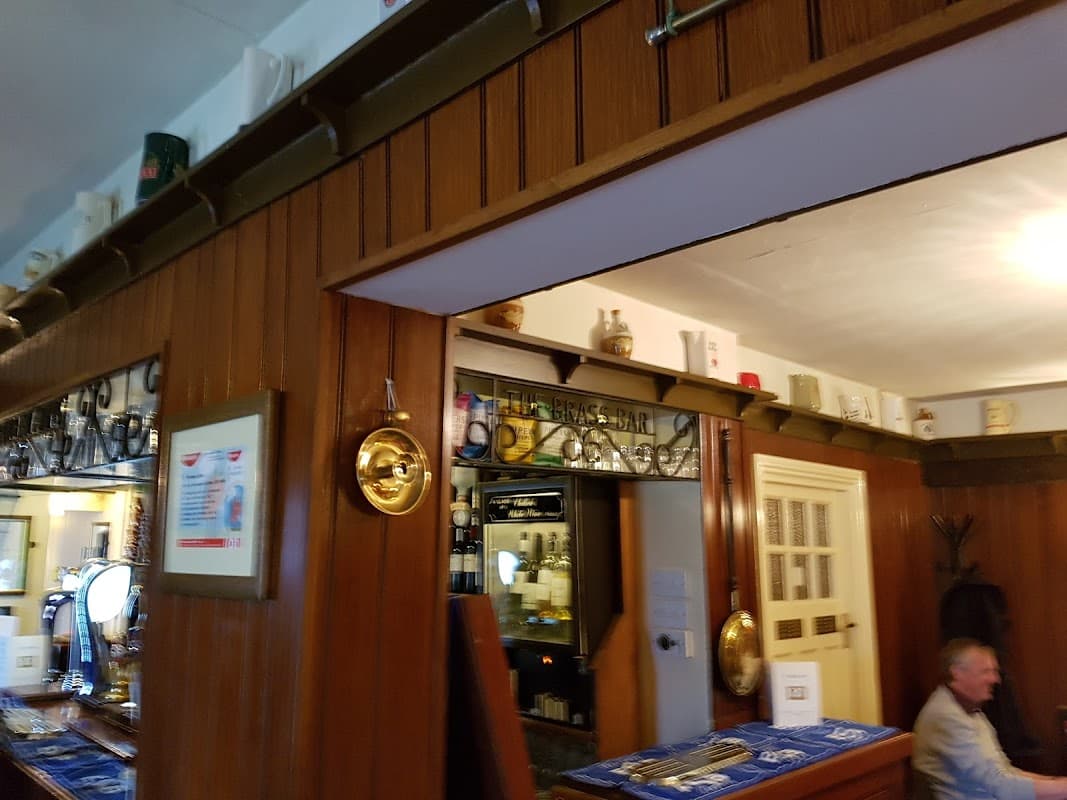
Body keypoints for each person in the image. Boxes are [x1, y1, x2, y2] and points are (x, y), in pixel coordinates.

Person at [913, 638, 1067, 799]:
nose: (995, 679)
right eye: (986, 671)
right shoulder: (945, 716)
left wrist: (1055, 782)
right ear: (957, 672)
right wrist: (1061, 788)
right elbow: (1000, 786)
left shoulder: (970, 709)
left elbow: (1005, 771)